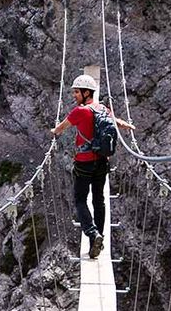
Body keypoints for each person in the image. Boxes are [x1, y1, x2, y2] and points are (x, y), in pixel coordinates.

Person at [50, 73, 136, 258]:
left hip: (84, 162)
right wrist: (127, 126)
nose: (74, 95)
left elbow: (61, 128)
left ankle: (92, 233)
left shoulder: (80, 111)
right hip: (102, 161)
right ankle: (98, 240)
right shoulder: (102, 109)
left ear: (86, 92)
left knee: (80, 200)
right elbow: (116, 122)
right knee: (99, 200)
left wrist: (53, 131)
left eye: (76, 92)